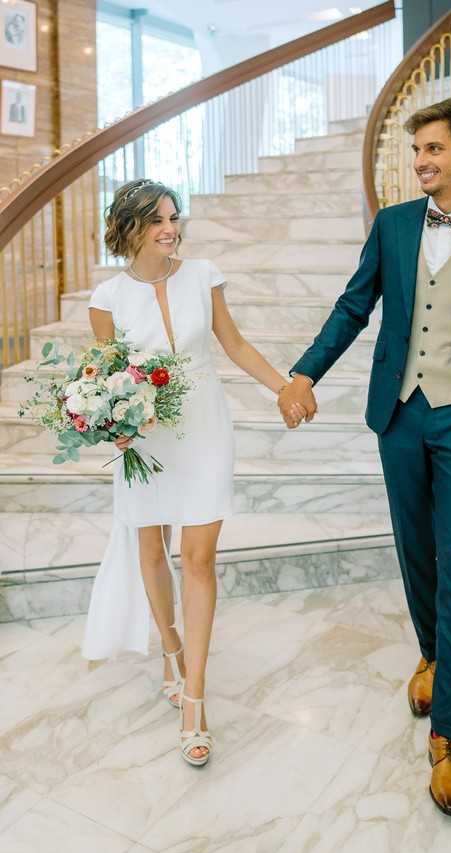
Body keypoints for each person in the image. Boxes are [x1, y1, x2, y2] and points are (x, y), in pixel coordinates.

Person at [279, 96, 451, 816]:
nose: (421, 161)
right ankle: (434, 652)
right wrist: (305, 371)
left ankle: (449, 733)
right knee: (417, 552)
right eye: (417, 151)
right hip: (400, 415)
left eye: (434, 149)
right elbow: (352, 305)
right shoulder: (394, 226)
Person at [82, 179, 305, 766]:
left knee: (199, 558)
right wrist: (111, 422)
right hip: (146, 436)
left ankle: (196, 699)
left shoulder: (203, 274)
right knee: (151, 549)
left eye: (174, 217)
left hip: (204, 426)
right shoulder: (106, 298)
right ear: (128, 227)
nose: (171, 228)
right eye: (157, 219)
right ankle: (171, 647)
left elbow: (233, 343)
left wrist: (285, 387)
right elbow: (105, 376)